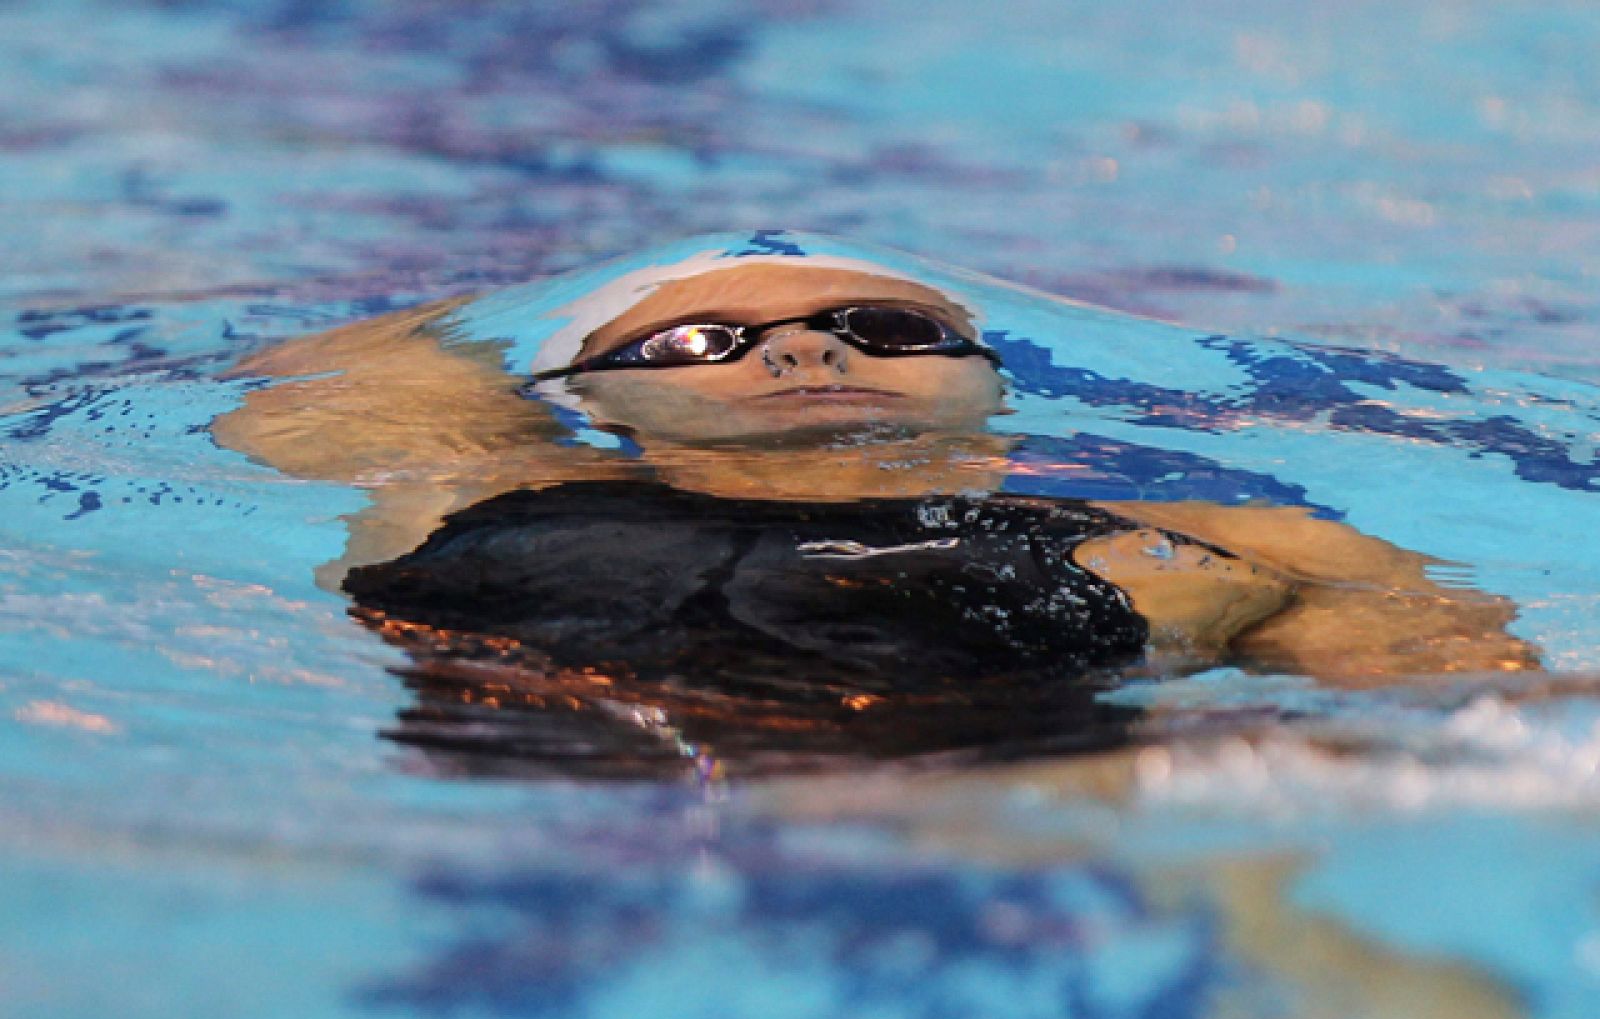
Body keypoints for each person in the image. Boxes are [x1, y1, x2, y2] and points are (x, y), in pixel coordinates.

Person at [214, 238, 1538, 772]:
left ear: (988, 385)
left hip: (1013, 844)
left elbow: (1486, 733)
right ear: (591, 402)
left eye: (884, 326)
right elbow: (332, 361)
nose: (805, 353)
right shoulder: (474, 481)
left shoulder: (1241, 544)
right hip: (526, 846)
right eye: (697, 344)